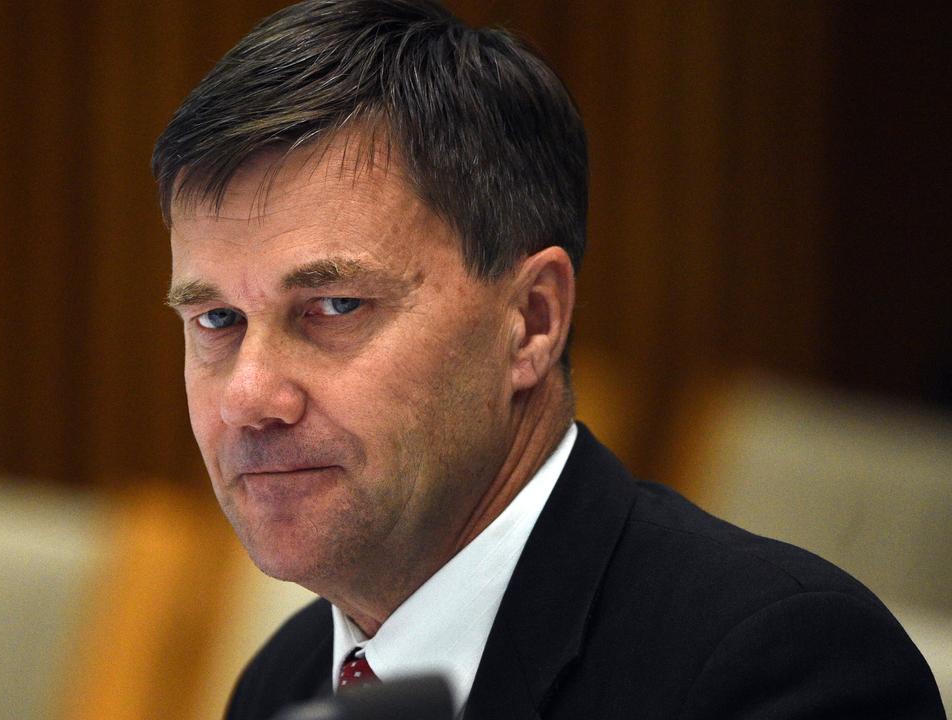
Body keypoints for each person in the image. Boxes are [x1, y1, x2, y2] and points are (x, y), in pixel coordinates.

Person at [152, 1, 945, 718]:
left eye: (335, 307)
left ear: (530, 321)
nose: (249, 396)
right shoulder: (283, 684)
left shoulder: (776, 667)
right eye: (217, 319)